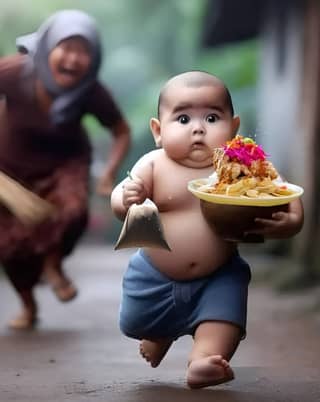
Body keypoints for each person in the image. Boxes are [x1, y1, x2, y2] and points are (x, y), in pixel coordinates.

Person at [110, 71, 303, 389]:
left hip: (218, 274)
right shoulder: (155, 164)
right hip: (155, 276)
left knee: (224, 319)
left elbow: (282, 189)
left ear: (234, 129)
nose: (198, 128)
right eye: (183, 118)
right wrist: (126, 199)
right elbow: (122, 199)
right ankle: (161, 333)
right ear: (158, 131)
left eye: (212, 117)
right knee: (136, 322)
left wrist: (293, 220)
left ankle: (203, 361)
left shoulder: (241, 163)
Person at [0, 10, 130, 329]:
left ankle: (53, 263)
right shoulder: (14, 73)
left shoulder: (91, 91)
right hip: (10, 171)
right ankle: (28, 306)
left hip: (65, 164)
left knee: (72, 209)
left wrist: (109, 173)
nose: (73, 59)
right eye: (66, 47)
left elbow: (121, 130)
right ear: (46, 47)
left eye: (83, 51)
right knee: (10, 246)